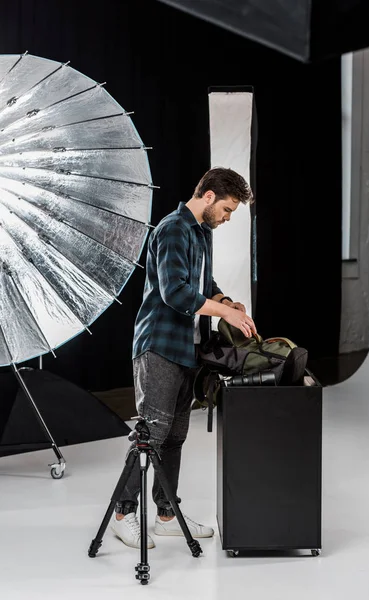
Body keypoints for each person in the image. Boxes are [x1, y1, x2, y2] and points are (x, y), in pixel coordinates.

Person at [111, 167, 257, 549]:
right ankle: (123, 514)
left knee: (175, 436)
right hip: (159, 346)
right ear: (208, 196)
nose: (227, 219)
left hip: (188, 349)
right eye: (227, 209)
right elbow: (175, 293)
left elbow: (202, 285)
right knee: (151, 434)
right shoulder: (173, 228)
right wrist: (224, 314)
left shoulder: (201, 232)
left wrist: (225, 301)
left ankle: (166, 514)